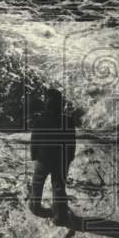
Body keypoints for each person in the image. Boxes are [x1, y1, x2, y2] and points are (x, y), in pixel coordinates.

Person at [28, 86, 77, 227]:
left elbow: (35, 140)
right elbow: (71, 142)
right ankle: (60, 216)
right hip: (61, 159)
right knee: (59, 186)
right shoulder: (68, 121)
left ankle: (35, 207)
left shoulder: (40, 119)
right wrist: (70, 156)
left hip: (43, 158)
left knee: (37, 183)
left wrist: (33, 155)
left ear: (47, 103)